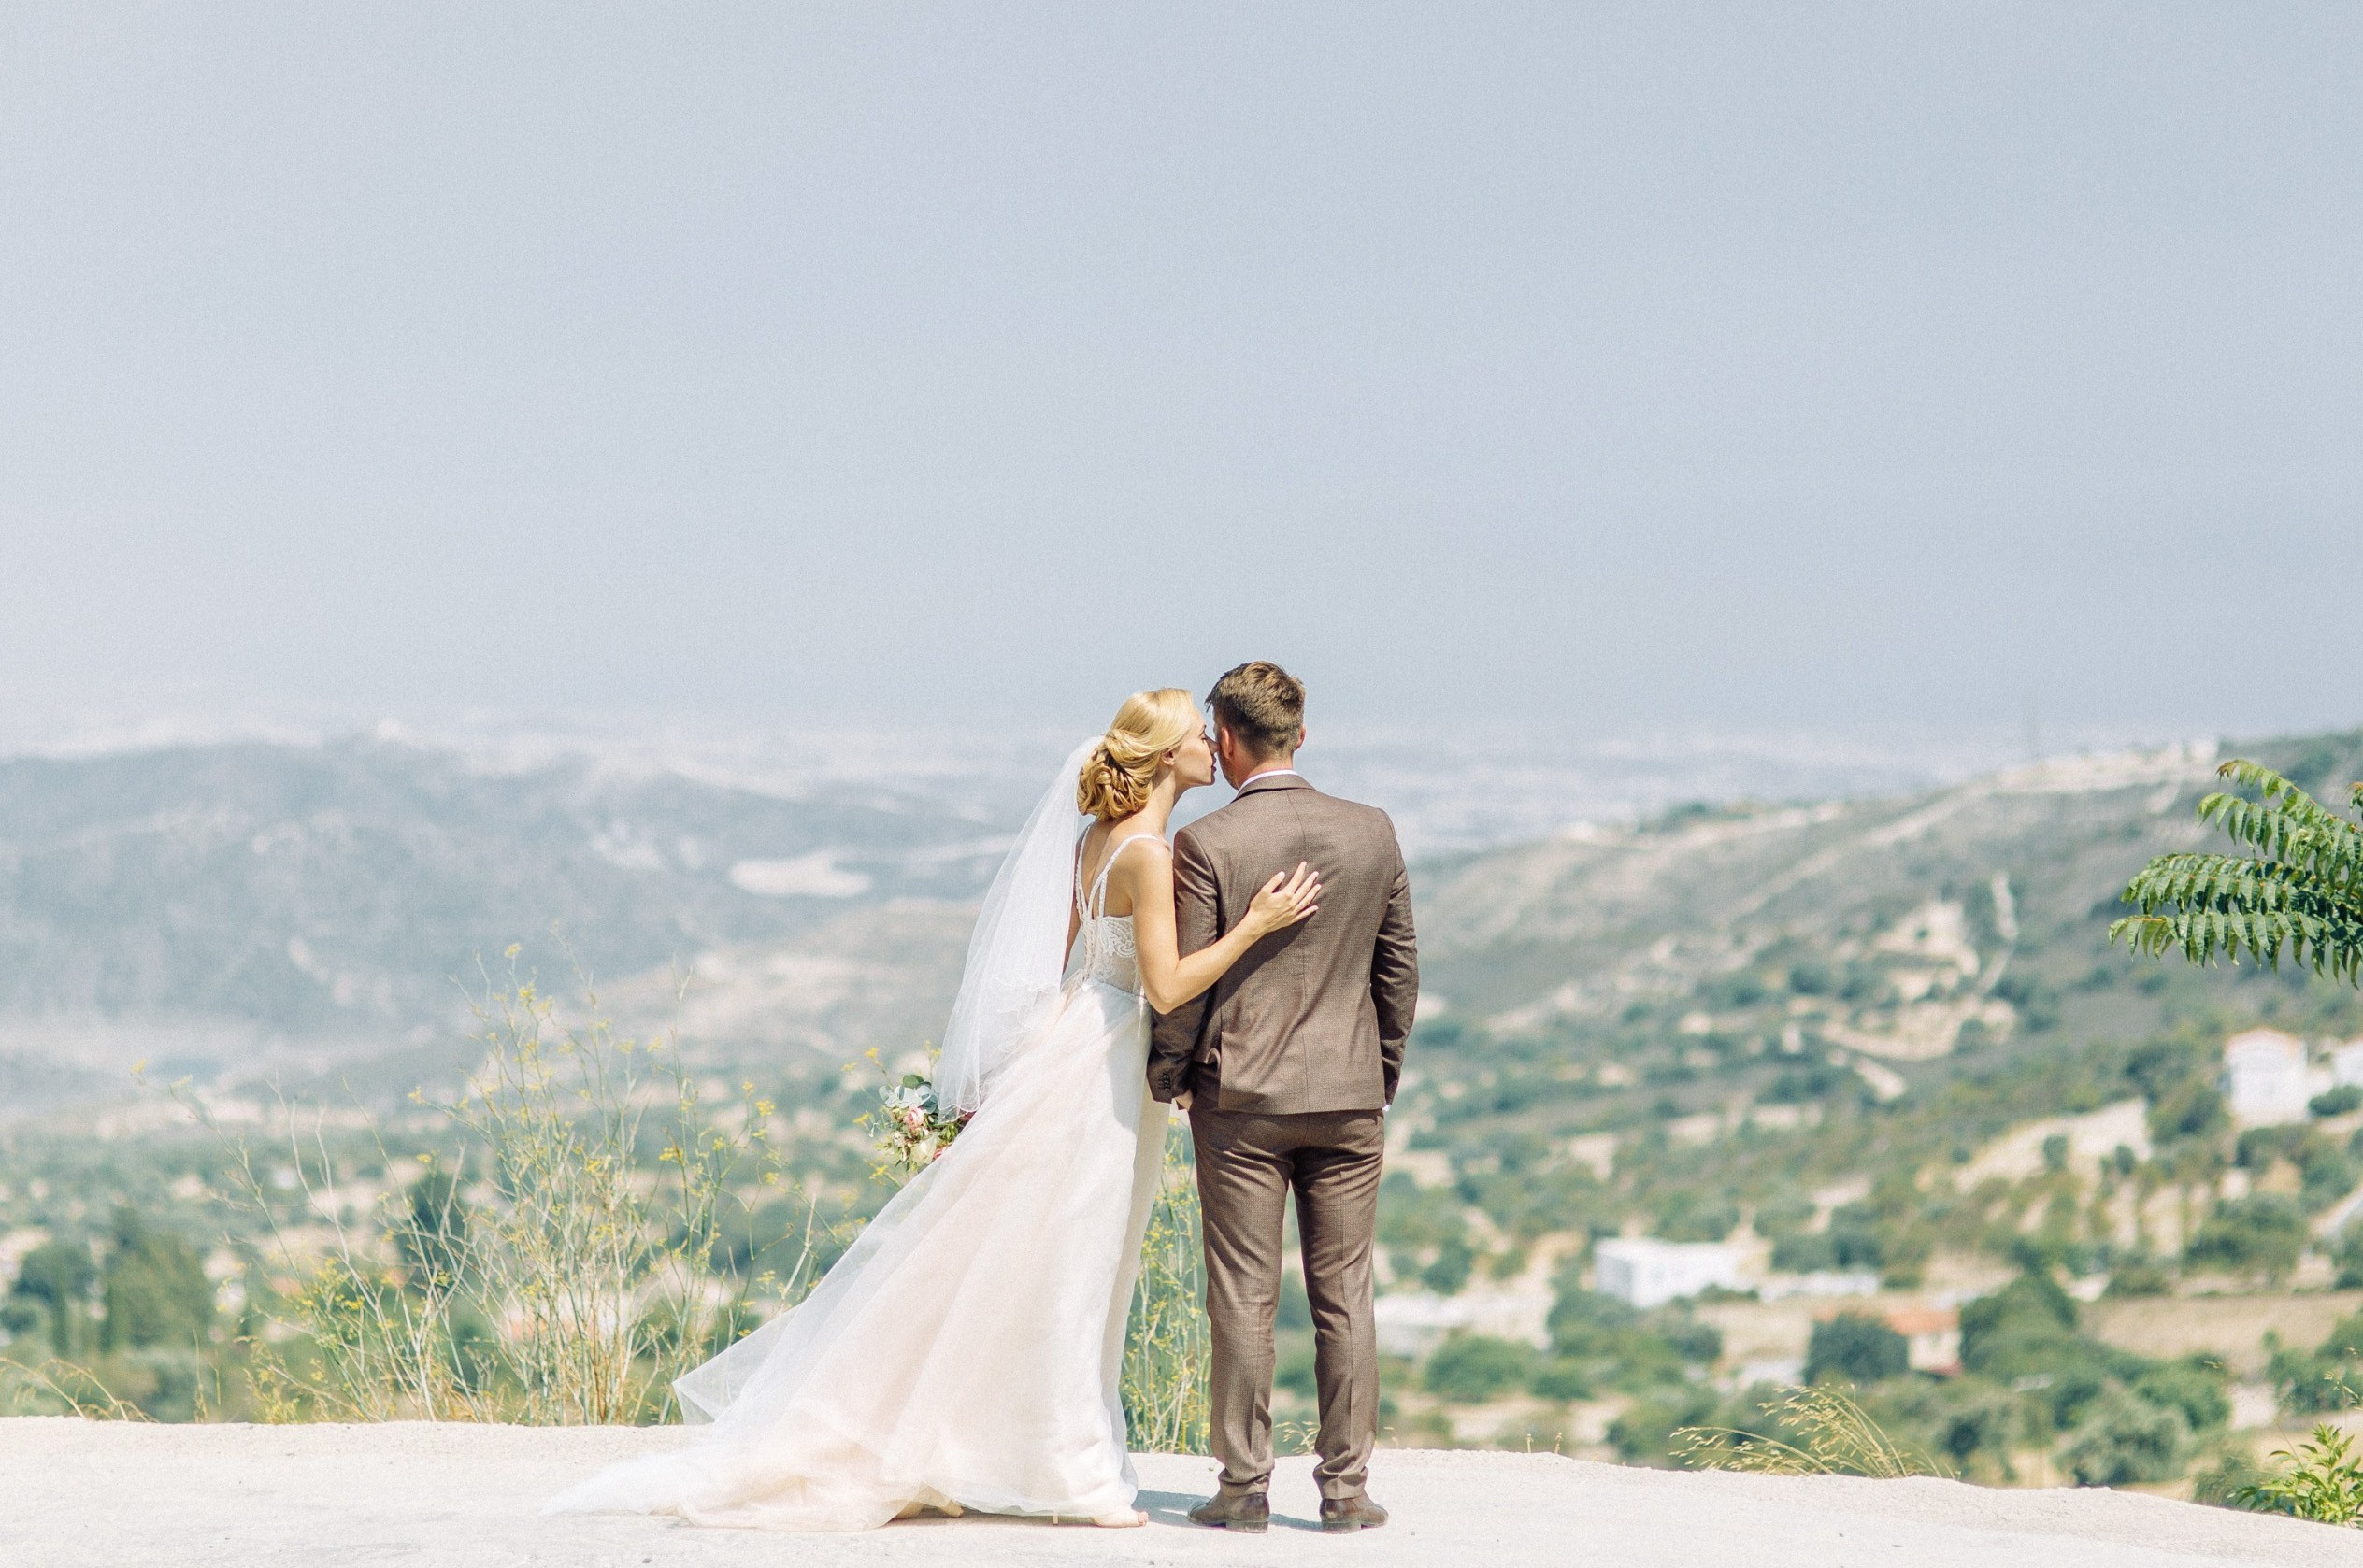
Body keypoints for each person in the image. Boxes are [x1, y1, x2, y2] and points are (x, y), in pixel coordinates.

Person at [545, 687, 1320, 1532]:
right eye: (1197, 737)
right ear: (1166, 753)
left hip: (1075, 1041)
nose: (1215, 746)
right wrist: (1254, 928)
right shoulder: (1148, 854)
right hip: (1104, 1065)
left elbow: (1064, 960)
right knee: (1079, 1266)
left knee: (1040, 1257)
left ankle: (1018, 1446)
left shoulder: (1094, 841)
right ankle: (1071, 1468)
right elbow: (1166, 984)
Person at [1149, 661, 1418, 1533]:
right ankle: (1345, 1492)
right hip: (1349, 1097)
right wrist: (1378, 1071)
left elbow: (1185, 989)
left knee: (1242, 1295)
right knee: (1346, 1293)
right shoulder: (1373, 832)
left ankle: (1243, 1490)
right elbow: (1398, 971)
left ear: (1223, 739)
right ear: (1301, 734)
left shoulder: (1210, 845)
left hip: (1242, 1101)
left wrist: (1170, 1078)